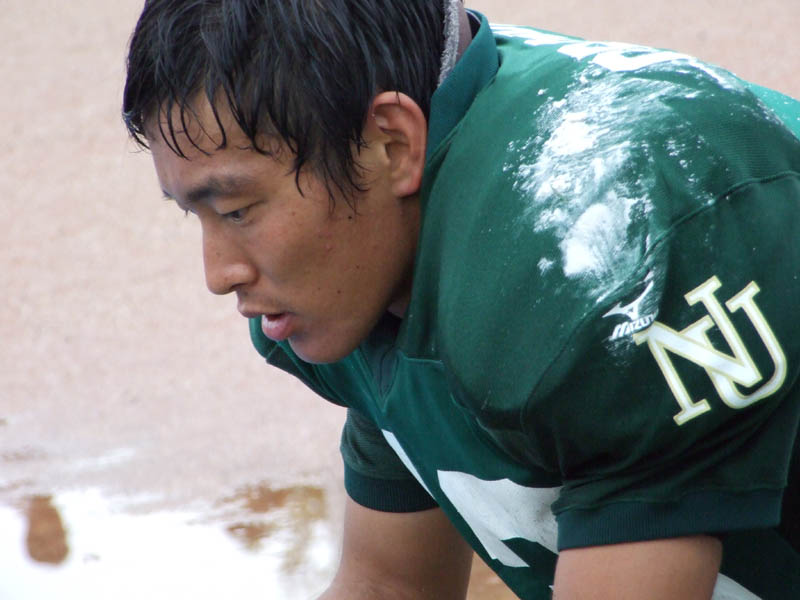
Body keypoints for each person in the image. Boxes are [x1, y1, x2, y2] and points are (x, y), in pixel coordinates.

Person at [122, 1, 800, 598]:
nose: (219, 273)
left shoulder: (595, 252)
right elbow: (389, 586)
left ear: (391, 145)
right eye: (195, 213)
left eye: (237, 210)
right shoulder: (360, 262)